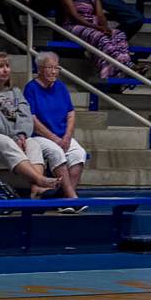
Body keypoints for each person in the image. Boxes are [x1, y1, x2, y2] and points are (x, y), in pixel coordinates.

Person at [0, 52, 59, 197]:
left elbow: (26, 116)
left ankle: (36, 188)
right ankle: (40, 179)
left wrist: (21, 134)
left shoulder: (15, 91)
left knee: (32, 143)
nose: (5, 70)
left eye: (7, 66)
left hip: (13, 135)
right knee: (5, 142)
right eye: (0, 66)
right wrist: (13, 136)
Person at [59, 0, 146, 80]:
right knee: (100, 37)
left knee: (118, 34)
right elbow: (74, 15)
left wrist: (105, 28)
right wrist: (96, 27)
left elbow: (100, 14)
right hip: (74, 26)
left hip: (92, 25)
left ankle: (116, 74)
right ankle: (129, 66)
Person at [23, 52, 89, 210]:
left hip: (62, 136)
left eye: (56, 67)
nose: (54, 71)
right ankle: (72, 198)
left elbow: (71, 114)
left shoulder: (61, 87)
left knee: (79, 154)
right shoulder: (31, 88)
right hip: (40, 136)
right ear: (39, 69)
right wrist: (55, 139)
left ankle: (65, 199)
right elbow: (32, 119)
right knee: (56, 152)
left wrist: (66, 136)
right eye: (49, 67)